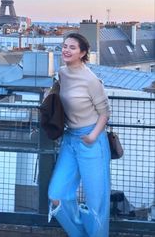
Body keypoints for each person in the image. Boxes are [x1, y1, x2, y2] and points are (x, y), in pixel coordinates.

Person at [48, 32, 111, 237]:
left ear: (83, 53)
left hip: (91, 140)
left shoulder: (91, 80)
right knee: (56, 194)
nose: (66, 50)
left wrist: (92, 137)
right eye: (64, 46)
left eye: (72, 47)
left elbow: (104, 113)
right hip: (70, 139)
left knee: (96, 203)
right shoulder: (62, 73)